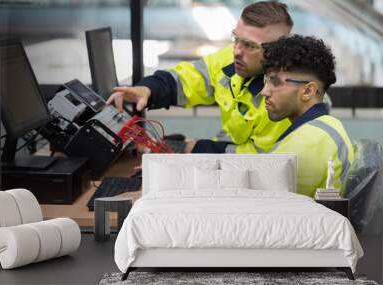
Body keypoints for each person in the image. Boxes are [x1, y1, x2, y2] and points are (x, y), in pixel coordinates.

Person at [107, 1, 293, 153]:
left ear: (276, 50)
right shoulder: (231, 61)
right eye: (236, 39)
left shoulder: (285, 96)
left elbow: (258, 162)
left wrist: (195, 149)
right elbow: (190, 78)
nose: (236, 51)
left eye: (249, 45)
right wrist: (148, 89)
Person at [249, 34, 353, 197]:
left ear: (308, 91)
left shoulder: (309, 141)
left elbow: (261, 202)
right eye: (266, 80)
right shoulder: (327, 125)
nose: (264, 91)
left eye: (275, 82)